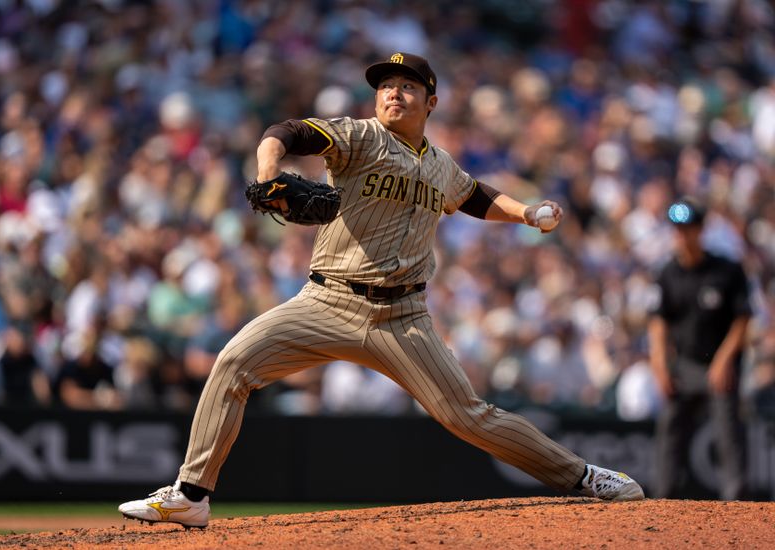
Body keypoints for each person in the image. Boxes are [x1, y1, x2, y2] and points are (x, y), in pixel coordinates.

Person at [119, 53, 643, 529]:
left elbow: (474, 196)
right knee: (233, 363)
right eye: (385, 85)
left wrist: (526, 212)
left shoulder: (440, 165)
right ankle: (191, 494)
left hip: (403, 317)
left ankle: (583, 477)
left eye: (407, 86)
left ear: (431, 102)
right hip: (326, 301)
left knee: (469, 417)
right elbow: (286, 131)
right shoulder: (360, 136)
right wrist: (268, 170)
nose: (394, 93)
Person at [648, 198, 751, 500]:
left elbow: (743, 320)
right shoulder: (667, 273)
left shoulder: (726, 271)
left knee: (728, 430)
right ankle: (663, 497)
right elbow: (658, 322)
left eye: (688, 229)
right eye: (677, 230)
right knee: (671, 428)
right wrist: (659, 365)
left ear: (700, 231)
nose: (681, 235)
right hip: (686, 364)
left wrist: (723, 361)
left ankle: (737, 501)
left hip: (722, 363)